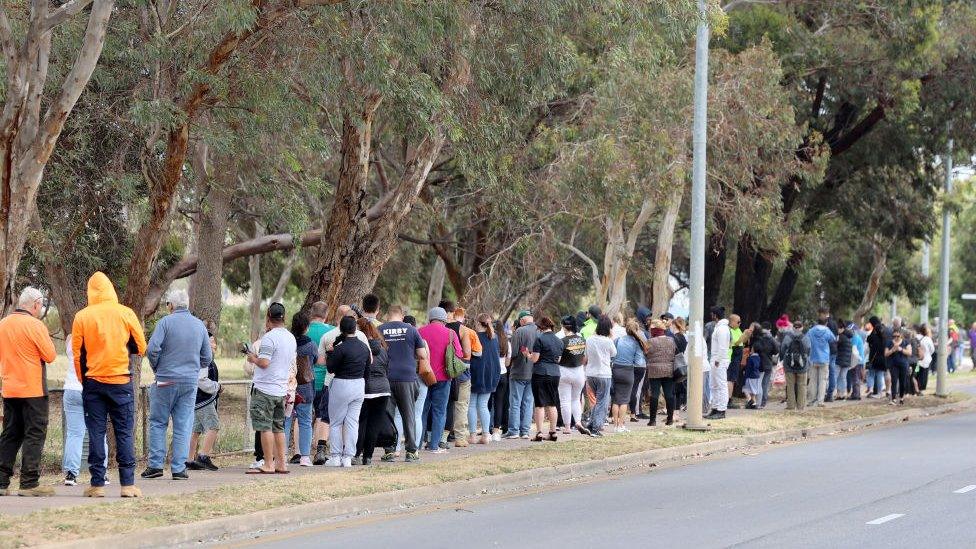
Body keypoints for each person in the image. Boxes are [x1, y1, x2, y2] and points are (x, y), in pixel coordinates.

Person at [72, 272, 147, 497]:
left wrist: (83, 379)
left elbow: (77, 355)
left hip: (93, 383)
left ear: (90, 292)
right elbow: (141, 346)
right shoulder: (126, 313)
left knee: (96, 432)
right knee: (124, 432)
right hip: (121, 382)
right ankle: (127, 485)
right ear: (111, 289)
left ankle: (97, 484)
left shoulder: (82, 317)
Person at [143, 289, 211, 481]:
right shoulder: (199, 326)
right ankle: (179, 469)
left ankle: (155, 465)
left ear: (170, 306)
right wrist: (193, 367)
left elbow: (152, 349)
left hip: (165, 380)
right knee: (183, 424)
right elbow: (207, 357)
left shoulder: (164, 323)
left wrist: (158, 367)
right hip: (189, 382)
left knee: (158, 422)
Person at [0, 287, 57, 497]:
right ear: (35, 304)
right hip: (32, 389)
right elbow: (50, 355)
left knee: (10, 433)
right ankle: (29, 482)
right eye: (40, 305)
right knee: (34, 433)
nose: (40, 309)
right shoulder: (35, 325)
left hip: (10, 389)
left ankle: (2, 480)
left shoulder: (3, 324)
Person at [245, 302, 296, 474]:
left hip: (264, 389)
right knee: (278, 427)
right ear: (284, 317)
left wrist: (253, 358)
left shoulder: (269, 338)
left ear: (268, 317)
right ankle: (282, 463)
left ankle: (268, 463)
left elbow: (265, 363)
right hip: (281, 389)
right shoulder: (290, 337)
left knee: (264, 427)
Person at [380, 305, 428, 462]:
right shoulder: (412, 330)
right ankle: (411, 451)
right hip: (407, 377)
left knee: (388, 415)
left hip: (386, 377)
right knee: (409, 415)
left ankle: (389, 451)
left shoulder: (380, 329)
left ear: (388, 316)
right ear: (402, 316)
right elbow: (422, 355)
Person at [62, 334, 109, 485]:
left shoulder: (70, 338)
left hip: (71, 388)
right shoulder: (97, 336)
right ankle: (101, 472)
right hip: (93, 387)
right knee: (98, 431)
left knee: (74, 433)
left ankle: (71, 474)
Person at [323, 316, 370, 467]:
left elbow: (331, 368)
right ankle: (348, 457)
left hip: (341, 384)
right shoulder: (364, 348)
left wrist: (330, 352)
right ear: (355, 328)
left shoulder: (340, 349)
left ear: (342, 329)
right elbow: (367, 370)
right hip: (359, 385)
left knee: (336, 422)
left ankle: (336, 456)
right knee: (352, 422)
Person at [418, 307, 463, 453]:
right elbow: (459, 354)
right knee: (439, 411)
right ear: (444, 319)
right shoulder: (451, 333)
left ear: (430, 318)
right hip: (444, 377)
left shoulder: (420, 331)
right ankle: (434, 445)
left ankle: (417, 444)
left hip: (424, 376)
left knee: (421, 411)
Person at [356, 319, 391, 465]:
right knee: (374, 424)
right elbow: (386, 369)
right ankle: (368, 457)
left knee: (361, 422)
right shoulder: (383, 350)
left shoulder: (361, 349)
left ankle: (357, 453)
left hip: (365, 389)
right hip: (383, 389)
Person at [284, 313, 316, 467]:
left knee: (285, 420)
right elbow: (315, 360)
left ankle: (281, 455)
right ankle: (305, 457)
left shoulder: (288, 342)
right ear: (306, 328)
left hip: (288, 386)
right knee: (305, 422)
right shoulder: (311, 345)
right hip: (305, 387)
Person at [446, 304, 480, 448]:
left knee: (443, 405)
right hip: (461, 371)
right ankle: (460, 437)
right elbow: (467, 353)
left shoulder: (441, 328)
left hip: (443, 371)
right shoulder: (464, 330)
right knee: (461, 405)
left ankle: (440, 436)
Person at [187, 331, 221, 471]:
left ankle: (188, 460)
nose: (214, 345)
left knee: (195, 430)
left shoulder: (202, 358)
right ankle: (203, 456)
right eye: (211, 341)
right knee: (213, 426)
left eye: (214, 341)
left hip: (197, 400)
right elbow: (201, 380)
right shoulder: (203, 359)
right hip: (203, 400)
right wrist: (217, 387)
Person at [527, 316, 563, 441]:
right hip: (555, 374)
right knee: (552, 404)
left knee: (540, 404)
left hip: (540, 373)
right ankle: (553, 432)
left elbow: (535, 359)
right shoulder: (559, 341)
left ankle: (539, 433)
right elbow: (558, 359)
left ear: (541, 327)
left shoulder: (539, 339)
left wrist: (528, 355)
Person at [307, 301, 335, 465]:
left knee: (302, 416)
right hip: (324, 380)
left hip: (304, 379)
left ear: (312, 313)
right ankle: (318, 449)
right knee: (321, 415)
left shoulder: (305, 330)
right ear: (326, 314)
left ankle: (300, 451)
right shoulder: (331, 331)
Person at [468, 314, 501, 444]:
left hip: (475, 373)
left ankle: (472, 435)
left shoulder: (473, 336)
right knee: (483, 405)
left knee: (472, 405)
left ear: (478, 323)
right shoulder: (494, 337)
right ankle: (486, 435)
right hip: (490, 375)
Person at [505, 311, 537, 439]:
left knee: (515, 402)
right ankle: (525, 431)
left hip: (518, 371)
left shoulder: (519, 331)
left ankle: (513, 431)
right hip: (534, 372)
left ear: (522, 320)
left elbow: (513, 353)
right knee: (528, 402)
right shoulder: (539, 331)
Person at [610, 320, 646, 432]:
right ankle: (621, 425)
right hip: (628, 371)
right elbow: (639, 362)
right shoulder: (637, 343)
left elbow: (612, 356)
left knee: (615, 400)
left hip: (615, 370)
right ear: (636, 330)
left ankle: (615, 425)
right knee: (624, 400)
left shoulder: (617, 340)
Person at [584, 316, 616, 437]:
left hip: (590, 373)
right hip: (604, 374)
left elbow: (586, 356)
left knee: (597, 401)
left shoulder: (589, 339)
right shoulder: (608, 341)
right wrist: (611, 337)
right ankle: (596, 428)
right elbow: (614, 353)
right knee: (602, 402)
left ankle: (590, 424)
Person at [557, 316, 587, 435]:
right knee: (576, 399)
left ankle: (567, 427)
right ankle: (578, 421)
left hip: (564, 372)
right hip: (579, 372)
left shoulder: (562, 341)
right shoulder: (582, 340)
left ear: (564, 327)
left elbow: (558, 358)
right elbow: (585, 358)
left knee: (565, 401)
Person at [644, 319, 677, 426]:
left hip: (654, 370)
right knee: (669, 394)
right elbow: (674, 352)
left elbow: (647, 354)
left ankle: (652, 420)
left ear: (654, 330)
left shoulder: (650, 341)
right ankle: (670, 419)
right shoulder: (671, 340)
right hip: (668, 369)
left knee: (655, 394)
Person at [805, 316, 836, 407]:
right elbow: (833, 339)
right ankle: (820, 401)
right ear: (826, 323)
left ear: (817, 322)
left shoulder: (811, 331)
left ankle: (811, 400)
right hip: (824, 358)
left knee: (813, 381)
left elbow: (806, 340)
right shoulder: (827, 331)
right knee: (823, 380)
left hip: (813, 358)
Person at [706, 311, 731, 420]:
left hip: (719, 360)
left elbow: (723, 347)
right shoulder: (719, 327)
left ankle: (721, 410)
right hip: (715, 359)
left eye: (712, 314)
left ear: (715, 315)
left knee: (721, 385)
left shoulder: (722, 329)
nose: (711, 316)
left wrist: (718, 360)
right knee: (714, 385)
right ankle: (715, 408)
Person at [781, 321, 810, 411]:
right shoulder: (805, 337)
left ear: (793, 327)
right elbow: (809, 350)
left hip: (789, 365)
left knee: (790, 385)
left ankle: (791, 406)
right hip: (802, 365)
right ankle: (801, 406)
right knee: (802, 385)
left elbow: (782, 349)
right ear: (802, 328)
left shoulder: (787, 337)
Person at [489, 319, 511, 441]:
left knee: (486, 402)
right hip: (503, 374)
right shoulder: (506, 342)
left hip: (491, 374)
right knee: (499, 403)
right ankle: (496, 431)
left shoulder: (491, 339)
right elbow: (508, 362)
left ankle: (487, 429)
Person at [751, 322, 779, 409]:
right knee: (765, 384)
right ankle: (763, 402)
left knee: (757, 383)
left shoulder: (757, 337)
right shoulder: (771, 339)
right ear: (770, 329)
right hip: (768, 363)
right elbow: (776, 351)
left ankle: (755, 401)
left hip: (758, 363)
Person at [885, 330, 912, 405]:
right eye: (894, 336)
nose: (896, 338)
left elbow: (909, 352)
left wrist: (901, 349)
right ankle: (893, 398)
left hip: (904, 364)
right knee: (894, 381)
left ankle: (901, 397)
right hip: (893, 365)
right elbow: (886, 354)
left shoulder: (905, 342)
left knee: (902, 381)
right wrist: (892, 350)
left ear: (901, 336)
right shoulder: (889, 342)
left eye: (898, 336)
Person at [866, 317, 887, 398]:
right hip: (882, 359)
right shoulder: (884, 338)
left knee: (871, 374)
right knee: (880, 375)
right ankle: (880, 393)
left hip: (873, 359)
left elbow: (868, 340)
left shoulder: (873, 337)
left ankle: (870, 389)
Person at [727, 314, 745, 409]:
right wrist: (743, 337)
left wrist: (746, 335)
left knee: (732, 379)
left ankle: (729, 398)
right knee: (730, 379)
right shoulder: (729, 330)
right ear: (732, 322)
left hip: (737, 357)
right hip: (733, 357)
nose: (740, 323)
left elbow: (742, 341)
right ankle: (728, 400)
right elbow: (735, 342)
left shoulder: (737, 330)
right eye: (738, 322)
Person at [835, 321, 854, 400]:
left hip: (839, 360)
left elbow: (835, 346)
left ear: (842, 329)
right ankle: (842, 394)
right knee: (843, 377)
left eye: (838, 328)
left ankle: (837, 393)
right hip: (846, 361)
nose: (837, 330)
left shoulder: (841, 337)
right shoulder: (848, 338)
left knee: (836, 376)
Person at [917, 324, 935, 393]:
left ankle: (915, 388)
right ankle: (921, 389)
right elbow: (932, 350)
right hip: (925, 361)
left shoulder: (917, 337)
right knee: (924, 375)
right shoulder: (928, 339)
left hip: (917, 361)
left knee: (916, 373)